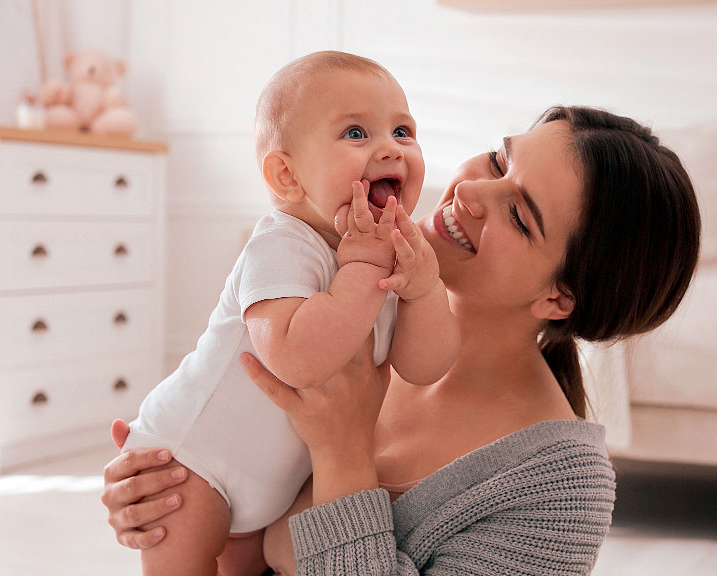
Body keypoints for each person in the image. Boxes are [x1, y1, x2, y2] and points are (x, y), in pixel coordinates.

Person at [103, 105, 702, 575]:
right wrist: (167, 490)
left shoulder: (559, 491)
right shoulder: (346, 301)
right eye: (498, 160)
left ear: (558, 299)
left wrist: (342, 456)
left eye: (519, 216)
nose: (470, 193)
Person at [118, 51, 460, 576]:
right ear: (287, 176)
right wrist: (365, 269)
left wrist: (423, 289)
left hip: (272, 484)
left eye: (402, 130)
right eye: (355, 133)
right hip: (190, 462)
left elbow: (425, 366)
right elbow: (297, 359)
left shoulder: (389, 251)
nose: (391, 148)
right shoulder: (282, 245)